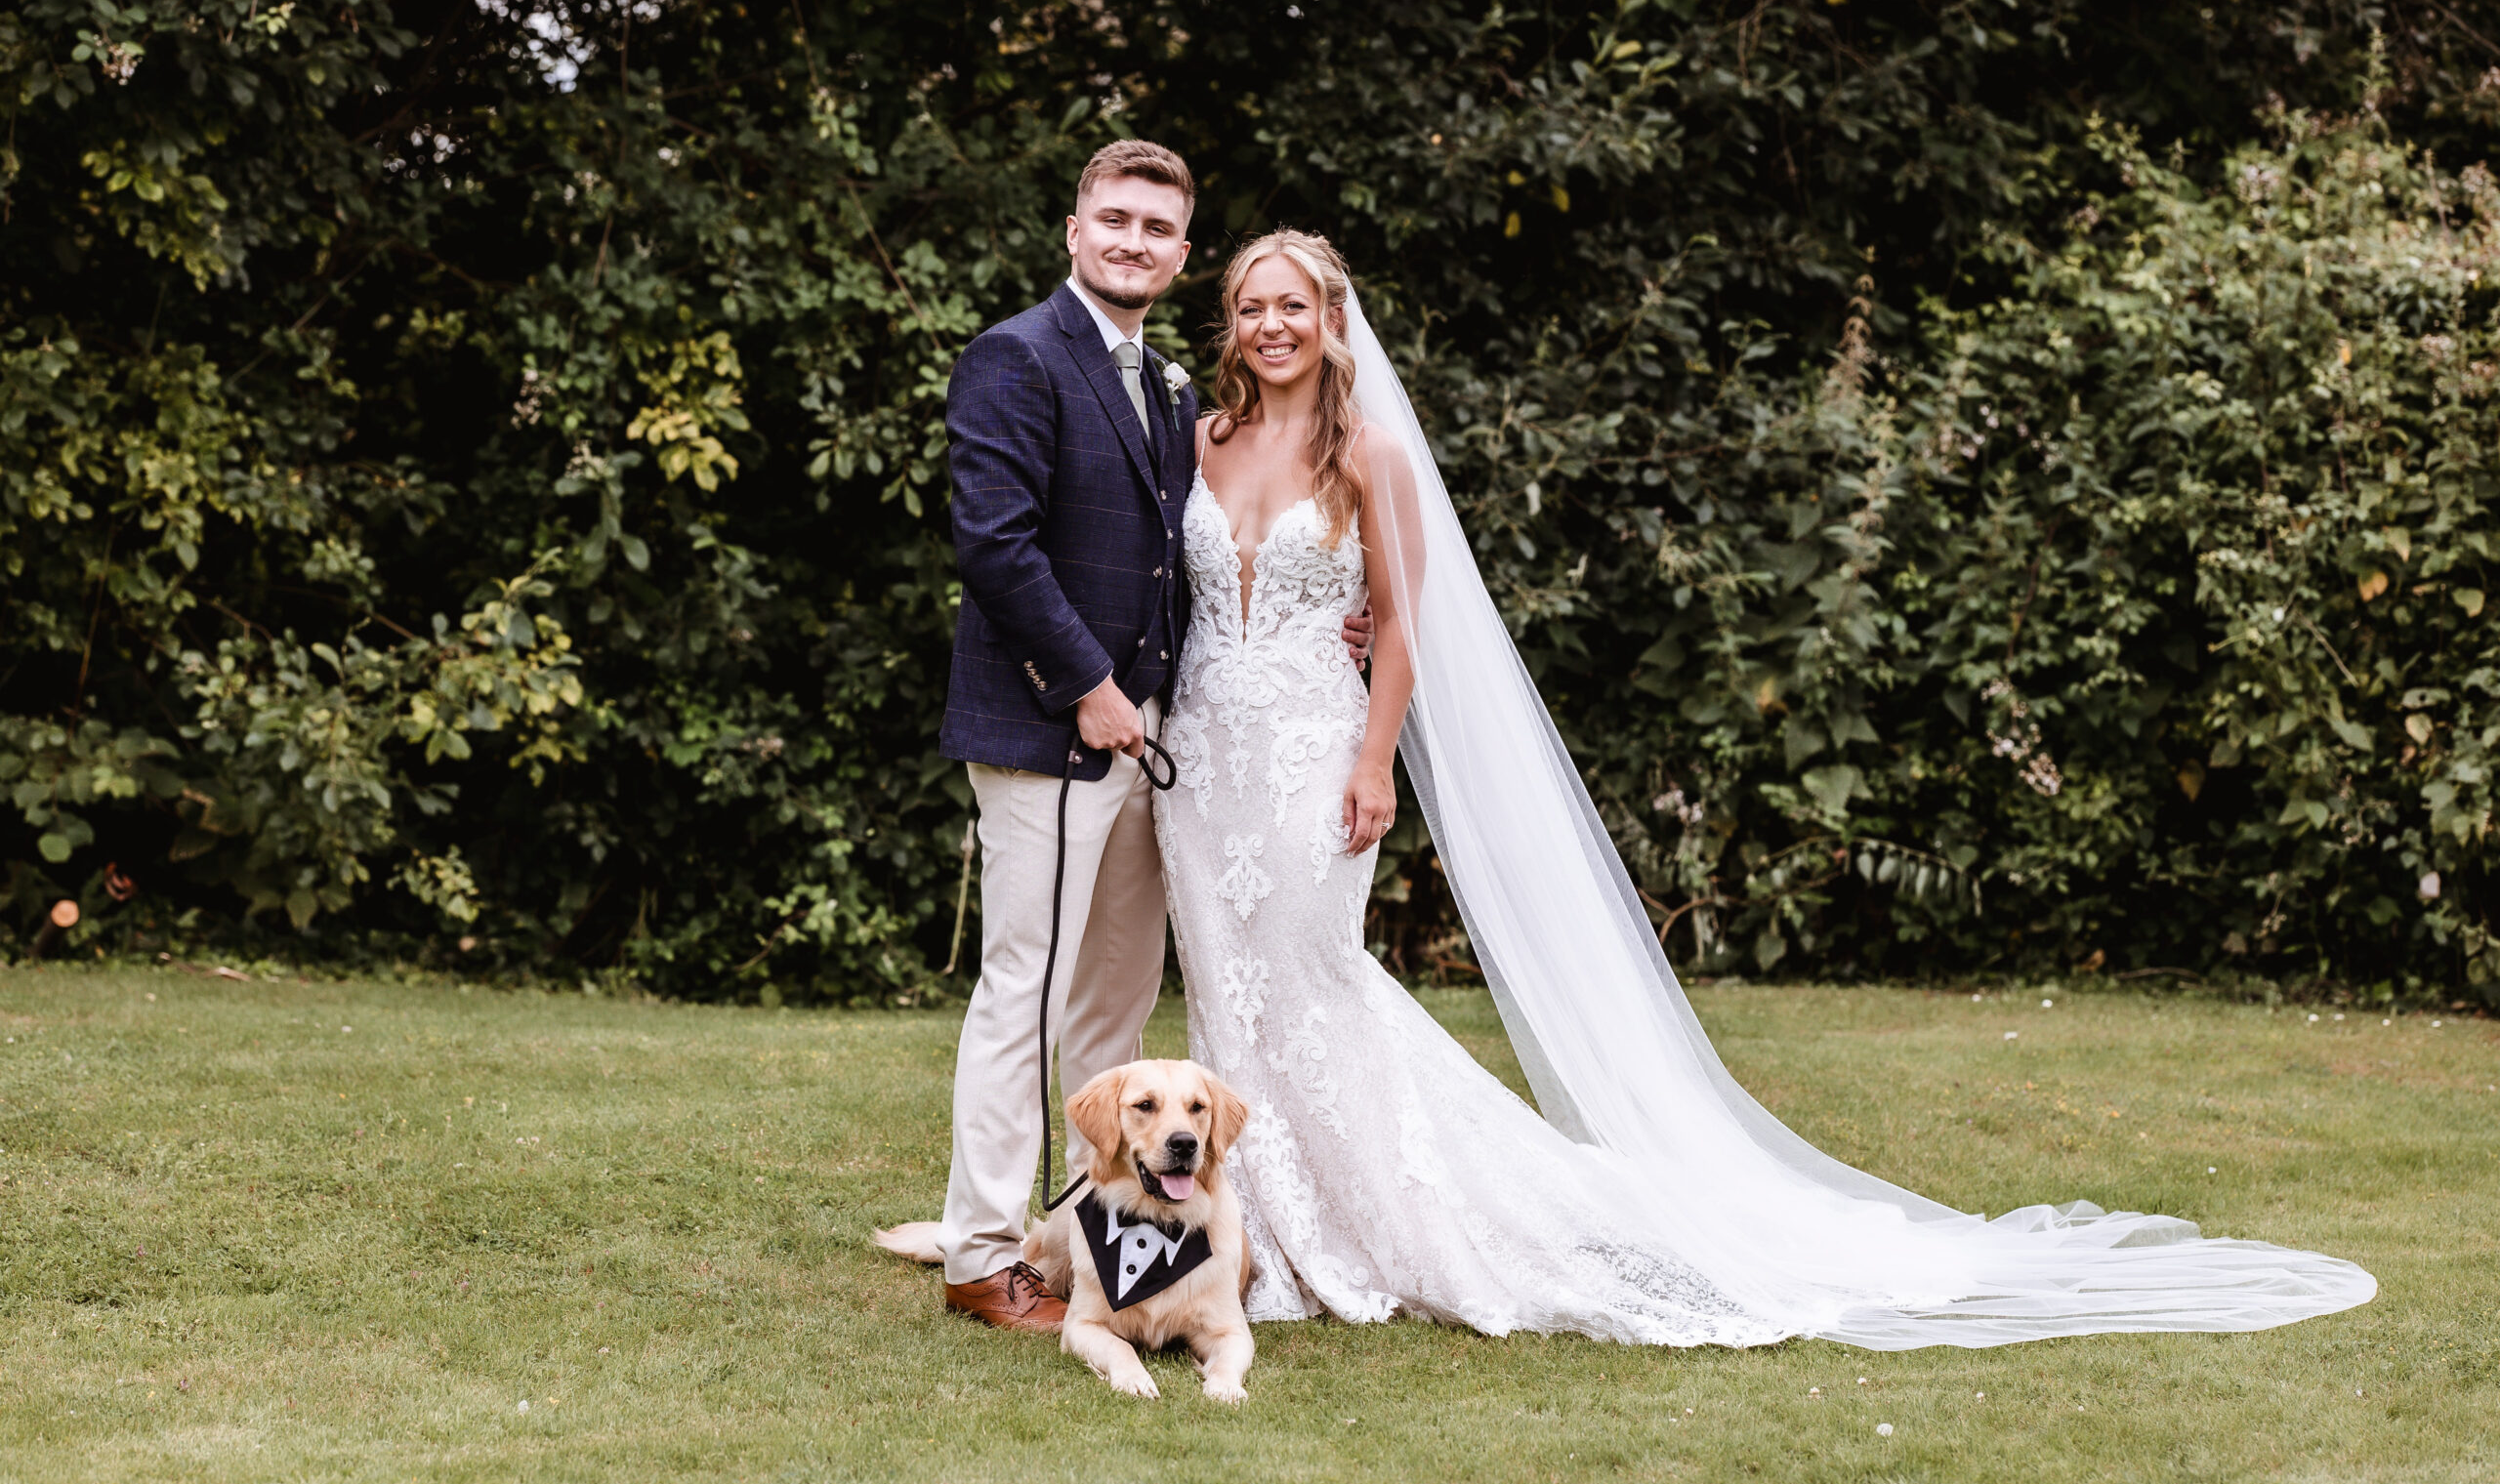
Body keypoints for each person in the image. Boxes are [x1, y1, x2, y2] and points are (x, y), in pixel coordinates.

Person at [1152, 227, 2377, 1346]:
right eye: (1252, 306)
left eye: (1294, 304)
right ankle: (1244, 1233)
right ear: (1229, 324)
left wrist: (1375, 761)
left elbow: (1405, 633)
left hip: (1316, 756)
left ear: (1330, 317)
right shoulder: (1199, 442)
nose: (1272, 324)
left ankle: (1376, 1222)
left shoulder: (1368, 454)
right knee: (1229, 991)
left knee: (1316, 979)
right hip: (1203, 760)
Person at [923, 144, 1366, 1332]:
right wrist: (1087, 685)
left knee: (1110, 1012)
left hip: (1152, 743)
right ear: (1075, 231)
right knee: (1024, 990)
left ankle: (1085, 1232)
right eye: (1112, 218)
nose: (1131, 240)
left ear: (1178, 254)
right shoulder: (1016, 357)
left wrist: (1337, 602)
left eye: (1156, 227)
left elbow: (1188, 555)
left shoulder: (1166, 387)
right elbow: (996, 545)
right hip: (1055, 732)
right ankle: (977, 1253)